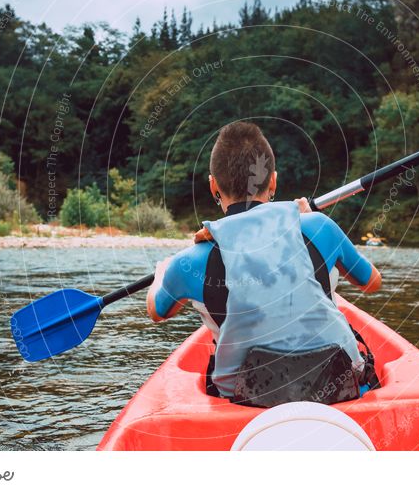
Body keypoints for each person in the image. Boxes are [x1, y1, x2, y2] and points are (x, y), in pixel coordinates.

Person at [146, 121, 382, 405]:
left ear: (213, 186)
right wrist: (307, 221)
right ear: (272, 181)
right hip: (338, 388)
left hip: (247, 400)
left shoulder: (188, 261)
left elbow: (157, 312)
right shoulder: (320, 226)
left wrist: (163, 270)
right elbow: (371, 282)